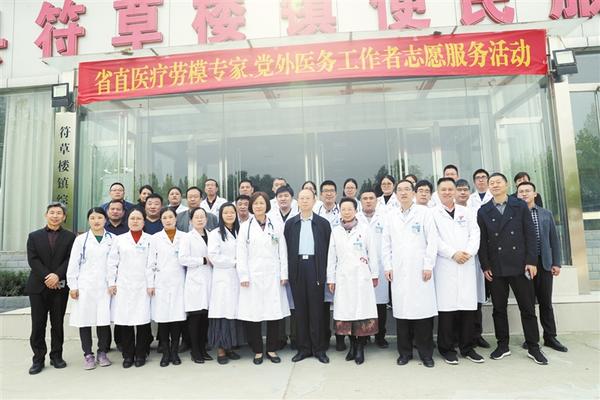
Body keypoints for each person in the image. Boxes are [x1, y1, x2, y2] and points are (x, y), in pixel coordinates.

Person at [477, 173, 547, 365]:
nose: (495, 185)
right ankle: (502, 345)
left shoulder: (520, 205)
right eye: (492, 183)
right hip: (496, 267)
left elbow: (530, 234)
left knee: (527, 308)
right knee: (499, 309)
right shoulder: (483, 210)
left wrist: (531, 261)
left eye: (498, 182)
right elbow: (482, 241)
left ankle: (534, 347)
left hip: (520, 265)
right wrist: (485, 265)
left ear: (507, 185)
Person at [382, 180, 438, 368]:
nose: (403, 193)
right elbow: (386, 244)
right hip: (399, 270)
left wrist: (428, 265)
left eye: (407, 189)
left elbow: (432, 241)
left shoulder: (424, 213)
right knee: (402, 314)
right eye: (400, 190)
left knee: (422, 314)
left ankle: (426, 354)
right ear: (396, 194)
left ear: (413, 193)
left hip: (421, 270)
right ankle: (404, 353)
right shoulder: (390, 215)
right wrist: (388, 266)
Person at [432, 178, 484, 365]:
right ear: (438, 193)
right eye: (443, 189)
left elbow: (475, 234)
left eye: (450, 189)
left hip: (466, 263)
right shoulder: (432, 214)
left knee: (467, 309)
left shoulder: (467, 212)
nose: (447, 192)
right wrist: (453, 253)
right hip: (445, 264)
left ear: (455, 191)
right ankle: (447, 349)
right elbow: (434, 239)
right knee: (447, 310)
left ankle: (467, 348)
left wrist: (468, 252)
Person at [237, 192, 290, 365]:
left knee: (274, 314)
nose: (258, 206)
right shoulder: (245, 227)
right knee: (254, 315)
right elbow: (241, 253)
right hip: (252, 276)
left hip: (273, 275)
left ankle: (271, 349)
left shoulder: (276, 224)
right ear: (251, 207)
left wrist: (284, 274)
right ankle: (258, 351)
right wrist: (243, 275)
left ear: (267, 205)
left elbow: (282, 250)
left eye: (261, 203)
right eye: (255, 203)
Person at [26, 202, 76, 375]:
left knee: (57, 324)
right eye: (52, 212)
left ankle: (56, 356)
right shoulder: (34, 236)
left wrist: (57, 275)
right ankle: (38, 359)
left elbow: (70, 260)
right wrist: (48, 276)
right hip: (38, 287)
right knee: (38, 324)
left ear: (64, 217)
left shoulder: (70, 237)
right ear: (46, 215)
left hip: (60, 287)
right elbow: (33, 260)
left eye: (59, 213)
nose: (55, 216)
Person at [517, 182, 568, 353]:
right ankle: (531, 338)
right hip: (524, 265)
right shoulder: (515, 215)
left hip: (544, 263)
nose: (524, 194)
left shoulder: (546, 214)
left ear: (535, 194)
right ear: (517, 195)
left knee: (546, 302)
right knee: (528, 304)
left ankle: (550, 336)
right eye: (521, 192)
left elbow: (554, 239)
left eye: (527, 191)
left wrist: (556, 263)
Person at [327, 198, 378, 365]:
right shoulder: (336, 231)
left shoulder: (365, 229)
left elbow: (373, 253)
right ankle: (352, 346)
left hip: (361, 276)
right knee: (346, 312)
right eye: (344, 209)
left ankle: (360, 347)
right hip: (343, 277)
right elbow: (331, 257)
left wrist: (374, 274)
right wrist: (331, 279)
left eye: (350, 209)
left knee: (361, 312)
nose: (347, 212)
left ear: (356, 210)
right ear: (340, 211)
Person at [284, 188, 332, 364]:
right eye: (301, 198)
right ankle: (303, 349)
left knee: (317, 310)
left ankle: (319, 349)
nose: (304, 201)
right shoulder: (291, 224)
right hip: (297, 268)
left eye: (308, 198)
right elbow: (285, 248)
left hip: (315, 267)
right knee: (300, 311)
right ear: (297, 201)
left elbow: (329, 249)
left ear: (314, 200)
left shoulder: (322, 223)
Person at [66, 207, 114, 370]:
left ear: (105, 220)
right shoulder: (81, 240)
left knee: (103, 320)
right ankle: (88, 354)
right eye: (92, 218)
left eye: (99, 217)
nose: (96, 221)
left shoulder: (112, 239)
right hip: (85, 286)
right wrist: (73, 285)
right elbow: (73, 263)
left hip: (105, 287)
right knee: (84, 320)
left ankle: (102, 352)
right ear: (88, 221)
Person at [107, 207, 153, 368]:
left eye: (138, 218)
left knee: (142, 321)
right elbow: (112, 262)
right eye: (132, 218)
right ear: (127, 221)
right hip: (123, 285)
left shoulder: (150, 240)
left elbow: (152, 264)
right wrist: (111, 282)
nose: (135, 221)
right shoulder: (119, 240)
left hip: (143, 286)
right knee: (125, 321)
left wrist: (151, 284)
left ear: (144, 222)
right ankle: (128, 355)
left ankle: (141, 353)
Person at [147, 208, 187, 367]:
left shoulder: (184, 237)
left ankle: (175, 352)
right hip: (161, 283)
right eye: (164, 217)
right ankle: (165, 353)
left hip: (179, 282)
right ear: (161, 220)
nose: (168, 220)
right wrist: (150, 284)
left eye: (171, 217)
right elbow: (150, 263)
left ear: (176, 219)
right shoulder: (155, 238)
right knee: (163, 319)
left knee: (177, 319)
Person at [207, 203, 242, 365]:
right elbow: (213, 257)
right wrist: (235, 262)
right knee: (222, 314)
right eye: (226, 212)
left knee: (233, 314)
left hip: (237, 278)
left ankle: (230, 347)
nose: (229, 215)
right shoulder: (215, 234)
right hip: (222, 278)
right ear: (221, 216)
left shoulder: (240, 231)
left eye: (232, 212)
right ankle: (221, 350)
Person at [179, 207, 214, 363]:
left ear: (206, 219)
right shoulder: (187, 237)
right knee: (195, 318)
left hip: (210, 280)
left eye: (202, 217)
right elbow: (183, 259)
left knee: (205, 318)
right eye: (196, 217)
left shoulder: (212, 235)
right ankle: (195, 351)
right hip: (195, 281)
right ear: (191, 220)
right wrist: (203, 260)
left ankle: (203, 349)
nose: (200, 219)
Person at [357, 189, 389, 349]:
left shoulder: (385, 218)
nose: (368, 201)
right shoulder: (356, 218)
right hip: (360, 267)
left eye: (371, 198)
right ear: (360, 201)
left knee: (380, 303)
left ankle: (380, 336)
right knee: (363, 302)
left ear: (376, 201)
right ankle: (363, 337)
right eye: (365, 198)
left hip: (381, 266)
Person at [461, 176, 491, 349]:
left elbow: (480, 236)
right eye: (459, 190)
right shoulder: (446, 212)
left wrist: (469, 252)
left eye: (465, 190)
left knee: (476, 301)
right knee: (459, 302)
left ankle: (476, 335)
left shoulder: (476, 211)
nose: (462, 193)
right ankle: (460, 337)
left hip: (474, 260)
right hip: (456, 261)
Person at [268, 185, 299, 350]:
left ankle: (295, 336)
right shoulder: (270, 216)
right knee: (278, 301)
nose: (283, 199)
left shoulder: (298, 214)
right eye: (280, 196)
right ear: (276, 199)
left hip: (296, 262)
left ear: (292, 198)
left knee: (295, 303)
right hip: (276, 264)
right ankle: (279, 338)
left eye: (286, 196)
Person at [315, 179, 344, 351]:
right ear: (320, 195)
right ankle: (325, 337)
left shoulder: (343, 211)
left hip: (340, 262)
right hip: (320, 262)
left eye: (332, 191)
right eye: (325, 191)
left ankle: (340, 337)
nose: (328, 193)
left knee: (340, 302)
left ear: (336, 194)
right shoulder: (315, 212)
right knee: (323, 304)